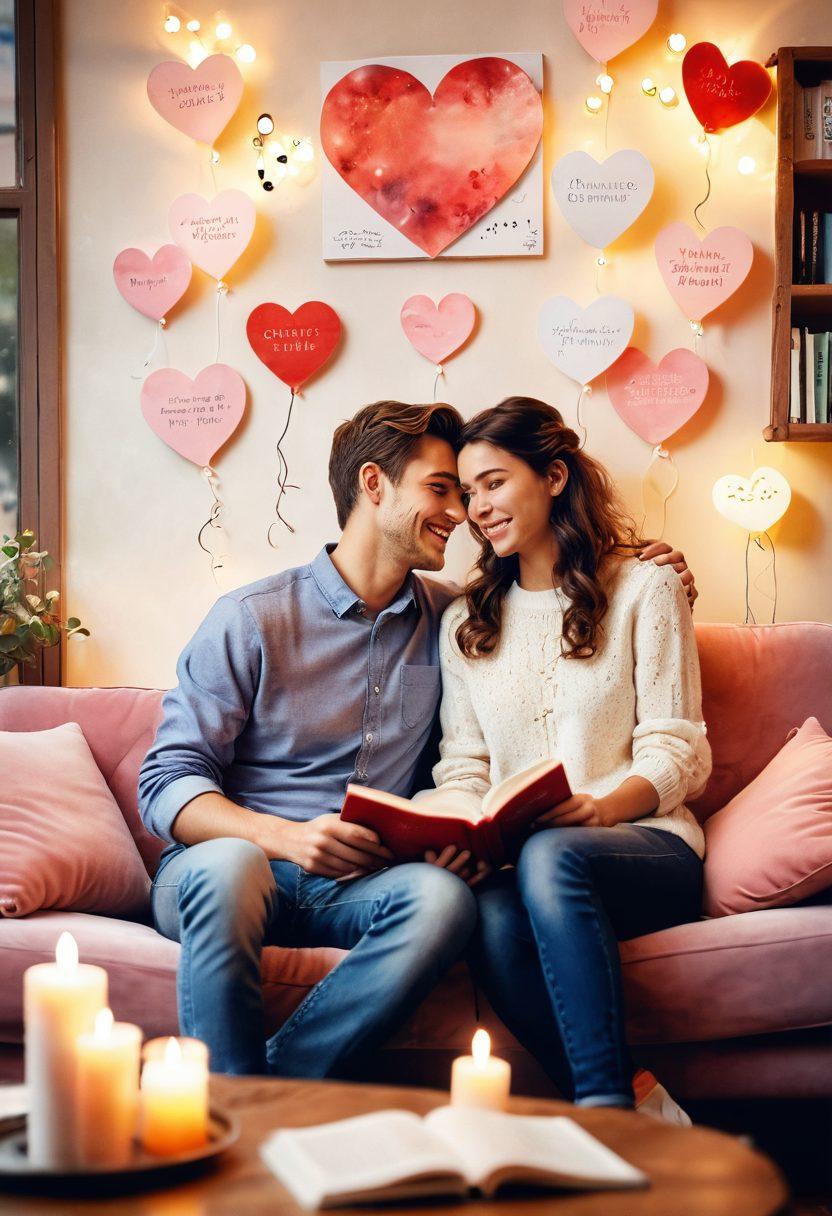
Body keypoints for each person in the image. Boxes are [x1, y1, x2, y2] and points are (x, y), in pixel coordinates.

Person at [138, 398, 699, 1080]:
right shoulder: (250, 619)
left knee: (444, 902)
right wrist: (284, 838)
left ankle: (269, 1093)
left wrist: (449, 845)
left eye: (473, 491)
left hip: (353, 885)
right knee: (233, 866)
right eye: (443, 490)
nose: (462, 513)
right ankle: (223, 1094)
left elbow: (479, 742)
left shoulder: (452, 618)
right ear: (374, 486)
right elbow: (166, 781)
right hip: (235, 867)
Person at [425, 396, 711, 1117]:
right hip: (527, 863)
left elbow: (680, 748)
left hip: (645, 848)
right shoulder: (466, 621)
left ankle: (607, 1117)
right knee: (482, 914)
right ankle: (640, 1106)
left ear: (553, 476)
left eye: (493, 482)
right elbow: (463, 767)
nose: (477, 508)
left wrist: (599, 807)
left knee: (557, 852)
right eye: (467, 493)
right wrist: (459, 830)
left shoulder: (647, 586)